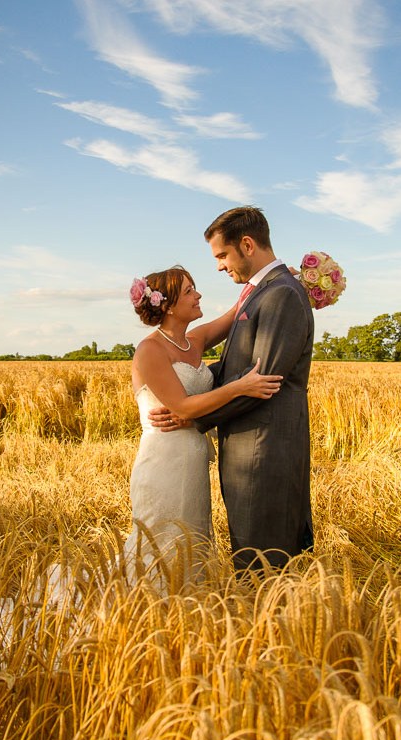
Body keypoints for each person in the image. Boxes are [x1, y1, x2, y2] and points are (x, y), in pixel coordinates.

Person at [151, 207, 314, 571]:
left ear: (247, 244)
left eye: (222, 255)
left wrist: (191, 415)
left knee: (262, 566)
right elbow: (232, 371)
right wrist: (185, 397)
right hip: (248, 449)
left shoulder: (281, 294)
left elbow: (262, 381)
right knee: (252, 559)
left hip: (264, 451)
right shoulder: (261, 293)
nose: (220, 266)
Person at [125, 265, 283, 582]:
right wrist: (240, 387)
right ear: (167, 305)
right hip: (163, 464)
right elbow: (183, 406)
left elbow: (238, 309)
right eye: (189, 291)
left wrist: (276, 277)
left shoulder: (193, 342)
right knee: (163, 543)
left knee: (191, 542)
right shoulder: (150, 350)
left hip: (193, 461)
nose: (198, 295)